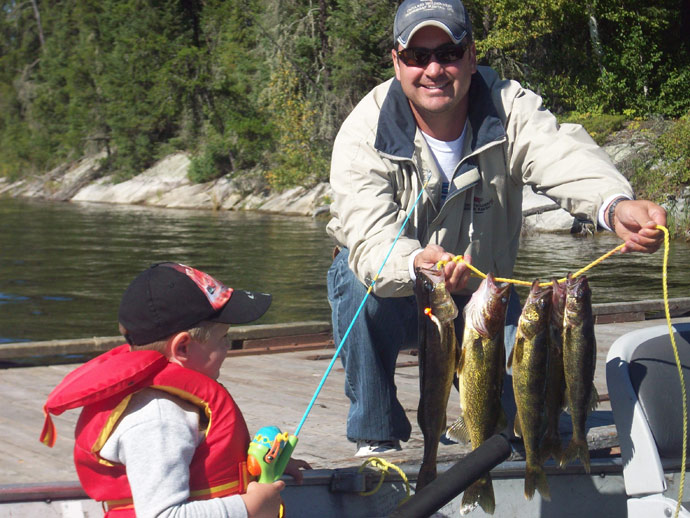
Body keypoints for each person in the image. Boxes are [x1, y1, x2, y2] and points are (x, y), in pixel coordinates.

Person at [326, 0, 667, 457]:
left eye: (448, 53)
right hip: (397, 294)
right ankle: (376, 432)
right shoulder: (363, 130)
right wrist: (413, 262)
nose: (434, 69)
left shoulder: (508, 106)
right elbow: (368, 238)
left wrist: (614, 204)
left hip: (483, 296)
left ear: (470, 55)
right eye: (417, 56)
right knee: (351, 274)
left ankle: (477, 426)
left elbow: (559, 153)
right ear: (396, 61)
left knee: (533, 427)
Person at [40, 262, 310, 518]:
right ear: (182, 347)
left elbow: (204, 468)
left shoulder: (173, 407)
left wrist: (259, 468)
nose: (228, 347)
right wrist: (250, 507)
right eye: (223, 337)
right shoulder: (157, 418)